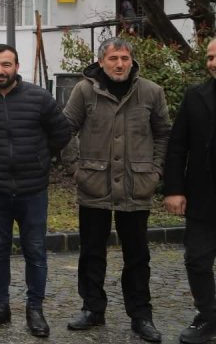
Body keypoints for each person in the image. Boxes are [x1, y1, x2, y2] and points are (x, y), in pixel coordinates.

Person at [63, 37, 167, 342]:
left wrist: (156, 170)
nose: (119, 64)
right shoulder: (85, 91)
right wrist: (75, 169)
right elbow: (64, 129)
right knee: (92, 252)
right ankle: (92, 308)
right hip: (94, 184)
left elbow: (163, 135)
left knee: (137, 255)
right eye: (113, 59)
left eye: (124, 58)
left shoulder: (151, 92)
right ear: (101, 61)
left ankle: (141, 315)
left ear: (132, 61)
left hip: (137, 185)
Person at [0, 43, 71, 338]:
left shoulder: (39, 98)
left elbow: (61, 132)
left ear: (17, 66)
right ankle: (0, 306)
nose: (0, 71)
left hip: (32, 190)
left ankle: (34, 310)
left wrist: (39, 158)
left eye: (6, 64)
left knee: (35, 251)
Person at [164, 38, 216, 344]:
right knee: (197, 260)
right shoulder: (195, 96)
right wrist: (174, 189)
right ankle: (209, 318)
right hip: (203, 198)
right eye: (209, 57)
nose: (212, 63)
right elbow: (177, 146)